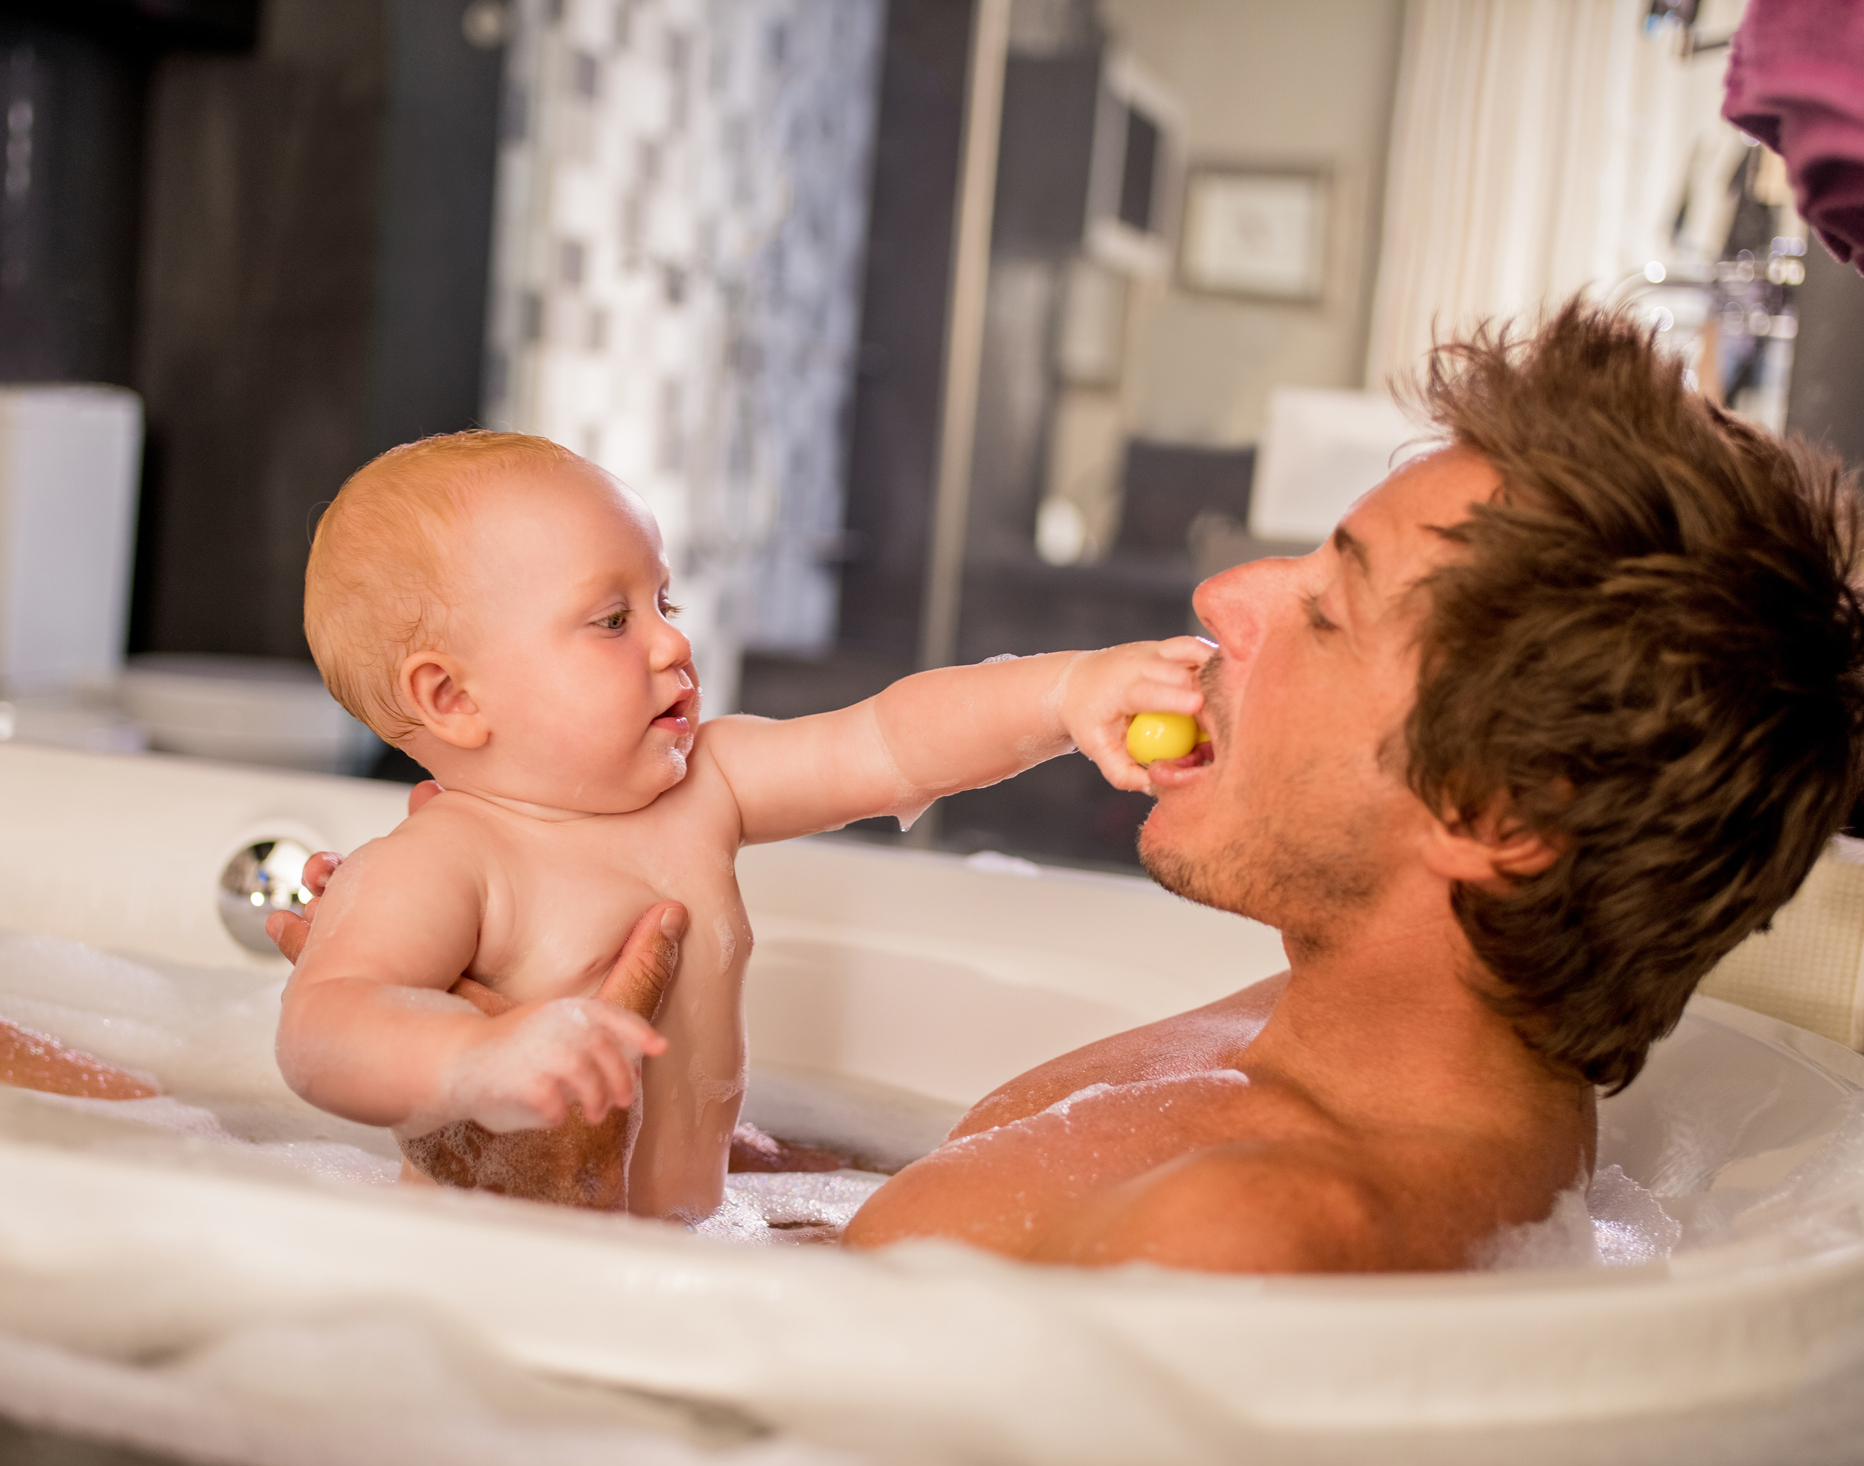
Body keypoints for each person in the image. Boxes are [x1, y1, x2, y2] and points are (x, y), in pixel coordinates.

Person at [841, 300, 1864, 1271]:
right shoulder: (1335, 1033)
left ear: (1491, 812)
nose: (1219, 598)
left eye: (1326, 613)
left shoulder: (1245, 1236)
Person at [276, 430, 1208, 1222]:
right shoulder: (449, 861)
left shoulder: (704, 786)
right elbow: (326, 1025)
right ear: (452, 697)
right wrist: (473, 1060)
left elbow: (887, 741)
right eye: (611, 620)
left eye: (663, 603)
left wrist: (1063, 690)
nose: (673, 641)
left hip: (690, 1249)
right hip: (490, 1270)